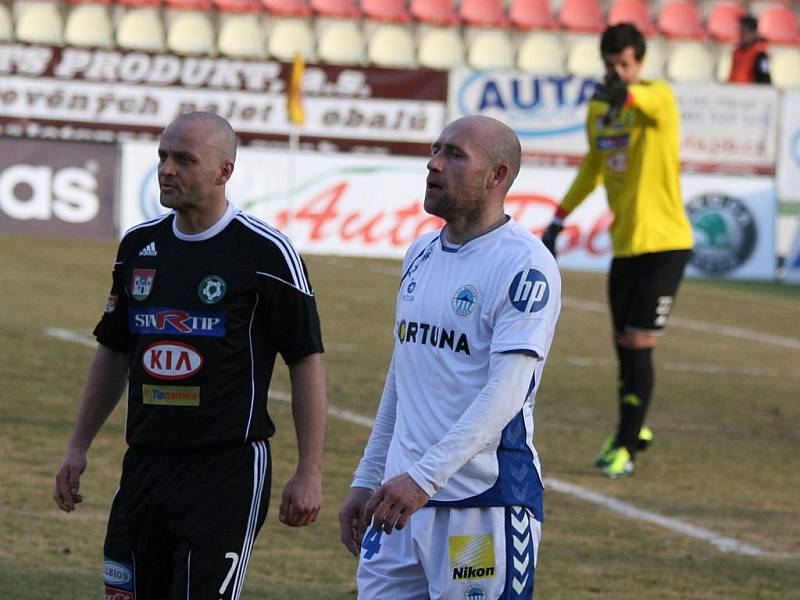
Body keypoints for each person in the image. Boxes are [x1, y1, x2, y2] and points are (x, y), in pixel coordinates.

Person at [53, 112, 327, 599]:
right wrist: (78, 445)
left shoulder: (265, 253)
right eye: (162, 156)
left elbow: (306, 360)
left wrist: (309, 471)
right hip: (144, 465)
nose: (167, 169)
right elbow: (114, 351)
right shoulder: (139, 247)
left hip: (226, 472)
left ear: (224, 171)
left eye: (184, 159)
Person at [339, 115, 561, 600]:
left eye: (455, 155)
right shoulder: (419, 254)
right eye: (436, 150)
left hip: (479, 507)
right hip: (397, 502)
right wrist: (366, 477)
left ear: (498, 176)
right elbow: (403, 379)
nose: (434, 163)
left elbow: (505, 394)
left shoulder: (525, 265)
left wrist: (423, 478)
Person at [541, 23, 694, 478]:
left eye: (625, 64)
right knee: (622, 347)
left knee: (638, 342)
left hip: (666, 244)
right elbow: (593, 166)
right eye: (611, 65)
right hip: (625, 247)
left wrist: (623, 93)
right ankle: (635, 427)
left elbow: (641, 101)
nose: (618, 72)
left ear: (640, 63)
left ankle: (626, 443)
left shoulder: (657, 98)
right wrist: (558, 217)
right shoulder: (600, 110)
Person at [729, 15, 771, 84]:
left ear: (753, 32)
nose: (741, 36)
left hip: (751, 92)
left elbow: (764, 77)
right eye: (740, 32)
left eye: (744, 32)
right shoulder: (737, 52)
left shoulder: (760, 53)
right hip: (735, 91)